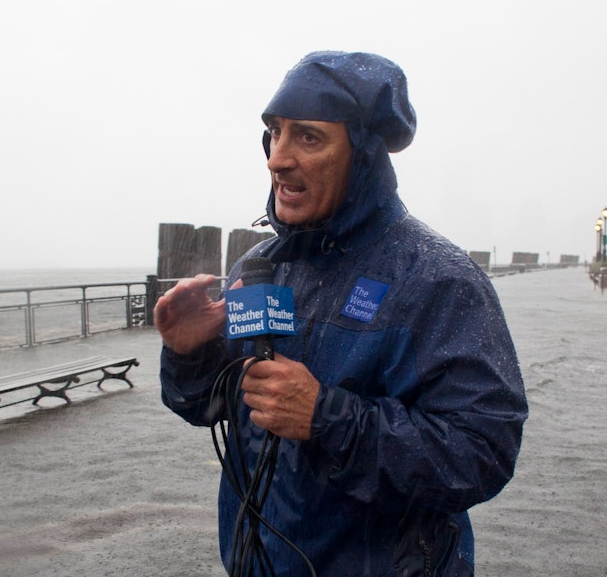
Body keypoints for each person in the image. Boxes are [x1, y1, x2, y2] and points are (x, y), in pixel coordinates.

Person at [157, 51, 527, 576]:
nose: (277, 159)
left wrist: (328, 419)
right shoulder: (258, 268)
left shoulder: (438, 279)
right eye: (274, 133)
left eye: (307, 137)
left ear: (364, 156)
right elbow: (209, 409)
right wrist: (191, 355)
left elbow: (482, 452)